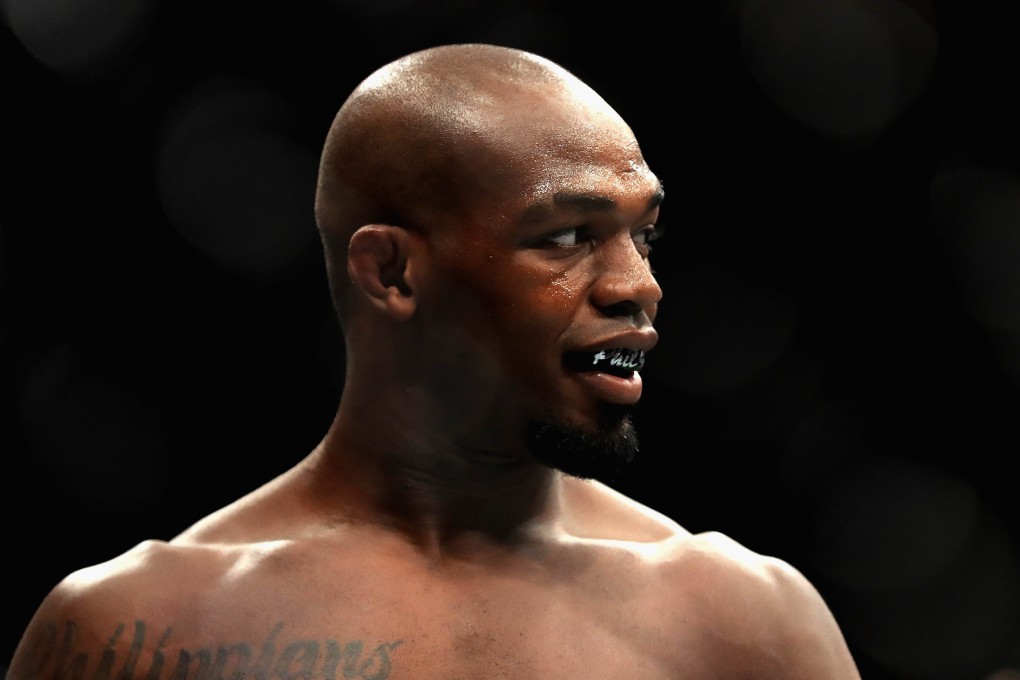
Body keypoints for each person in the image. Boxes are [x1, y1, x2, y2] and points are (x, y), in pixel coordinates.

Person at [6, 43, 862, 679]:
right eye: (569, 236)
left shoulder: (743, 623)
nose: (638, 286)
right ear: (391, 272)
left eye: (643, 235)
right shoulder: (144, 630)